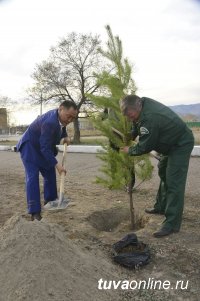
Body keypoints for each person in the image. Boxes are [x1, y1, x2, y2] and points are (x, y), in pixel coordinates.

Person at [120, 95, 194, 237]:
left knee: (174, 182)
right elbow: (136, 123)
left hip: (180, 144)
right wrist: (131, 134)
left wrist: (130, 150)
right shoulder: (141, 105)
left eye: (130, 115)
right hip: (169, 144)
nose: (130, 119)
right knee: (163, 172)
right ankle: (161, 206)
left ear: (138, 107)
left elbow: (145, 146)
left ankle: (171, 224)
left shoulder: (150, 117)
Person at [17, 100, 78, 221]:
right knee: (32, 177)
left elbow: (61, 128)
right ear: (60, 109)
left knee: (49, 173)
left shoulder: (59, 118)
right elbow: (45, 147)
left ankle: (50, 201)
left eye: (73, 118)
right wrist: (57, 165)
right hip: (30, 147)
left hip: (42, 147)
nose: (70, 120)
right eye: (68, 116)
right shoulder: (50, 122)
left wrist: (64, 136)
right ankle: (34, 212)